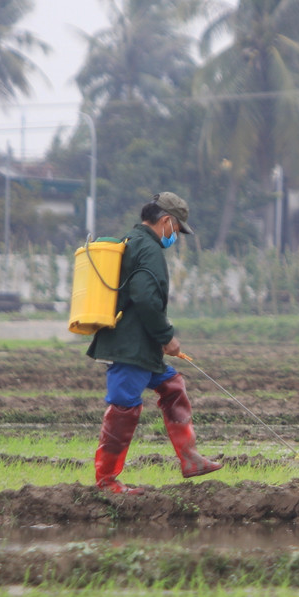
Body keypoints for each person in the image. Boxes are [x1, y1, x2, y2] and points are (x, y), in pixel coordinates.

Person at [87, 192, 221, 494]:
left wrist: (156, 339)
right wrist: (166, 337)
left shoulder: (132, 240)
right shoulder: (148, 249)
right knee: (124, 409)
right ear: (165, 221)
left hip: (140, 346)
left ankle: (191, 460)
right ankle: (107, 481)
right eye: (176, 230)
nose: (176, 236)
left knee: (172, 385)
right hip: (129, 348)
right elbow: (146, 298)